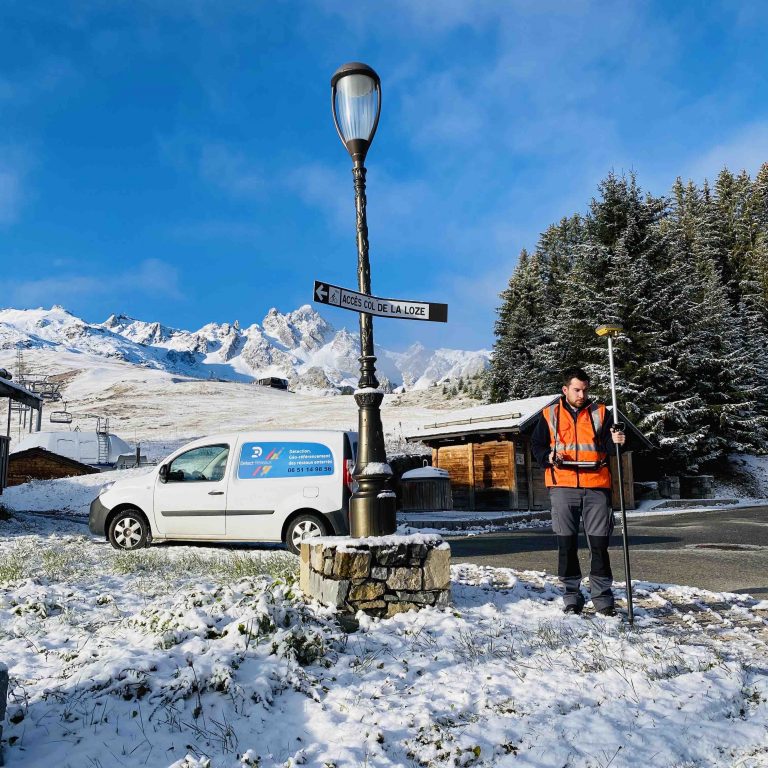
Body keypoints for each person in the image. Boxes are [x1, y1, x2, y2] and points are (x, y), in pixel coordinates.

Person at [531, 367, 626, 616]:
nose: (581, 394)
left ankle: (602, 597)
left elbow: (608, 444)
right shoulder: (549, 414)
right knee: (567, 545)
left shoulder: (602, 413)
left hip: (596, 486)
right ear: (565, 390)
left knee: (599, 545)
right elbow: (537, 444)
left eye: (585, 389)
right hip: (562, 486)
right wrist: (547, 456)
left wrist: (617, 441)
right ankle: (572, 596)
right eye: (576, 390)